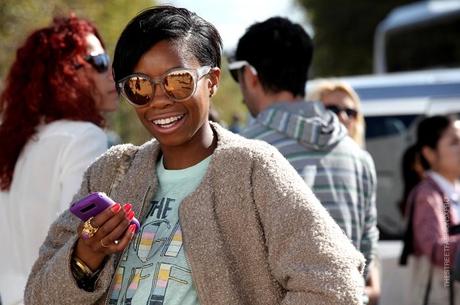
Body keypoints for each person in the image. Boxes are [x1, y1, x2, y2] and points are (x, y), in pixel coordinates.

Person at [25, 6, 365, 305]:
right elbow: (37, 295)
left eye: (178, 82)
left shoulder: (252, 169)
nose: (159, 100)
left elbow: (335, 283)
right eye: (139, 86)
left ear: (212, 81)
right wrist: (87, 256)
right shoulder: (111, 172)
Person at [229, 17, 379, 304]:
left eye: (236, 75)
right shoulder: (358, 157)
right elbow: (365, 252)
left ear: (250, 75)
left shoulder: (240, 152)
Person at [0, 15, 118, 305]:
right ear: (65, 73)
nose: (112, 72)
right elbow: (78, 241)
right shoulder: (84, 137)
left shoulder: (13, 145)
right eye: (100, 62)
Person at [309, 79, 380, 304]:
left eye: (350, 111)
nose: (342, 117)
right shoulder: (301, 158)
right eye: (332, 109)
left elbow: (369, 234)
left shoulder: (363, 161)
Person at [400, 115, 460, 305]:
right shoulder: (428, 195)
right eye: (455, 142)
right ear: (430, 153)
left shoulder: (452, 190)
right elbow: (436, 250)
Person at [308, 79, 365, 148]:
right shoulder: (296, 155)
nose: (343, 117)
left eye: (349, 112)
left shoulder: (362, 157)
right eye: (333, 110)